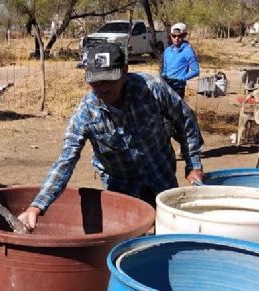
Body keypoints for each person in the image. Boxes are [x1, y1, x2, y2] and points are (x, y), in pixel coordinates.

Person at [17, 43, 204, 231]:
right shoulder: (85, 115)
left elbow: (185, 120)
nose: (103, 88)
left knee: (168, 230)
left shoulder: (152, 89)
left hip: (160, 173)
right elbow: (65, 161)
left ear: (125, 70)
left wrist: (193, 163)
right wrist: (37, 206)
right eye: (96, 82)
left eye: (109, 81)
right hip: (121, 185)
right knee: (127, 238)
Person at [162, 22, 200, 98]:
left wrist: (181, 79)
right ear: (171, 36)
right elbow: (165, 69)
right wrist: (163, 77)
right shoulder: (167, 51)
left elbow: (196, 70)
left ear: (184, 36)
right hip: (166, 87)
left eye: (179, 36)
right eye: (174, 36)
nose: (176, 38)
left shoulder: (188, 51)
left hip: (178, 88)